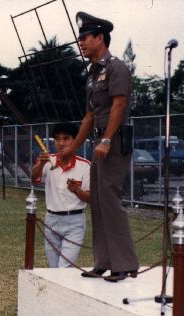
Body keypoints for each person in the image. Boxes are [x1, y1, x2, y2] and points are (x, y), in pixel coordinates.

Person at [63, 12, 139, 282]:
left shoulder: (116, 67)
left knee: (110, 200)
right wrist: (73, 147)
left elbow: (119, 104)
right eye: (80, 38)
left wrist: (106, 139)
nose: (81, 43)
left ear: (100, 38)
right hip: (100, 142)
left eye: (85, 38)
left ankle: (124, 264)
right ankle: (104, 262)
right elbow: (89, 116)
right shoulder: (93, 74)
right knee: (97, 201)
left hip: (113, 142)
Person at [31, 123, 90, 268]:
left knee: (65, 267)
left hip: (75, 221)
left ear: (75, 140)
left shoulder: (85, 166)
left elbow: (89, 198)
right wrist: (40, 164)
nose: (61, 143)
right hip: (51, 219)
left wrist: (76, 190)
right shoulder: (47, 161)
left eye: (66, 138)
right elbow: (34, 178)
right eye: (57, 139)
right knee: (53, 267)